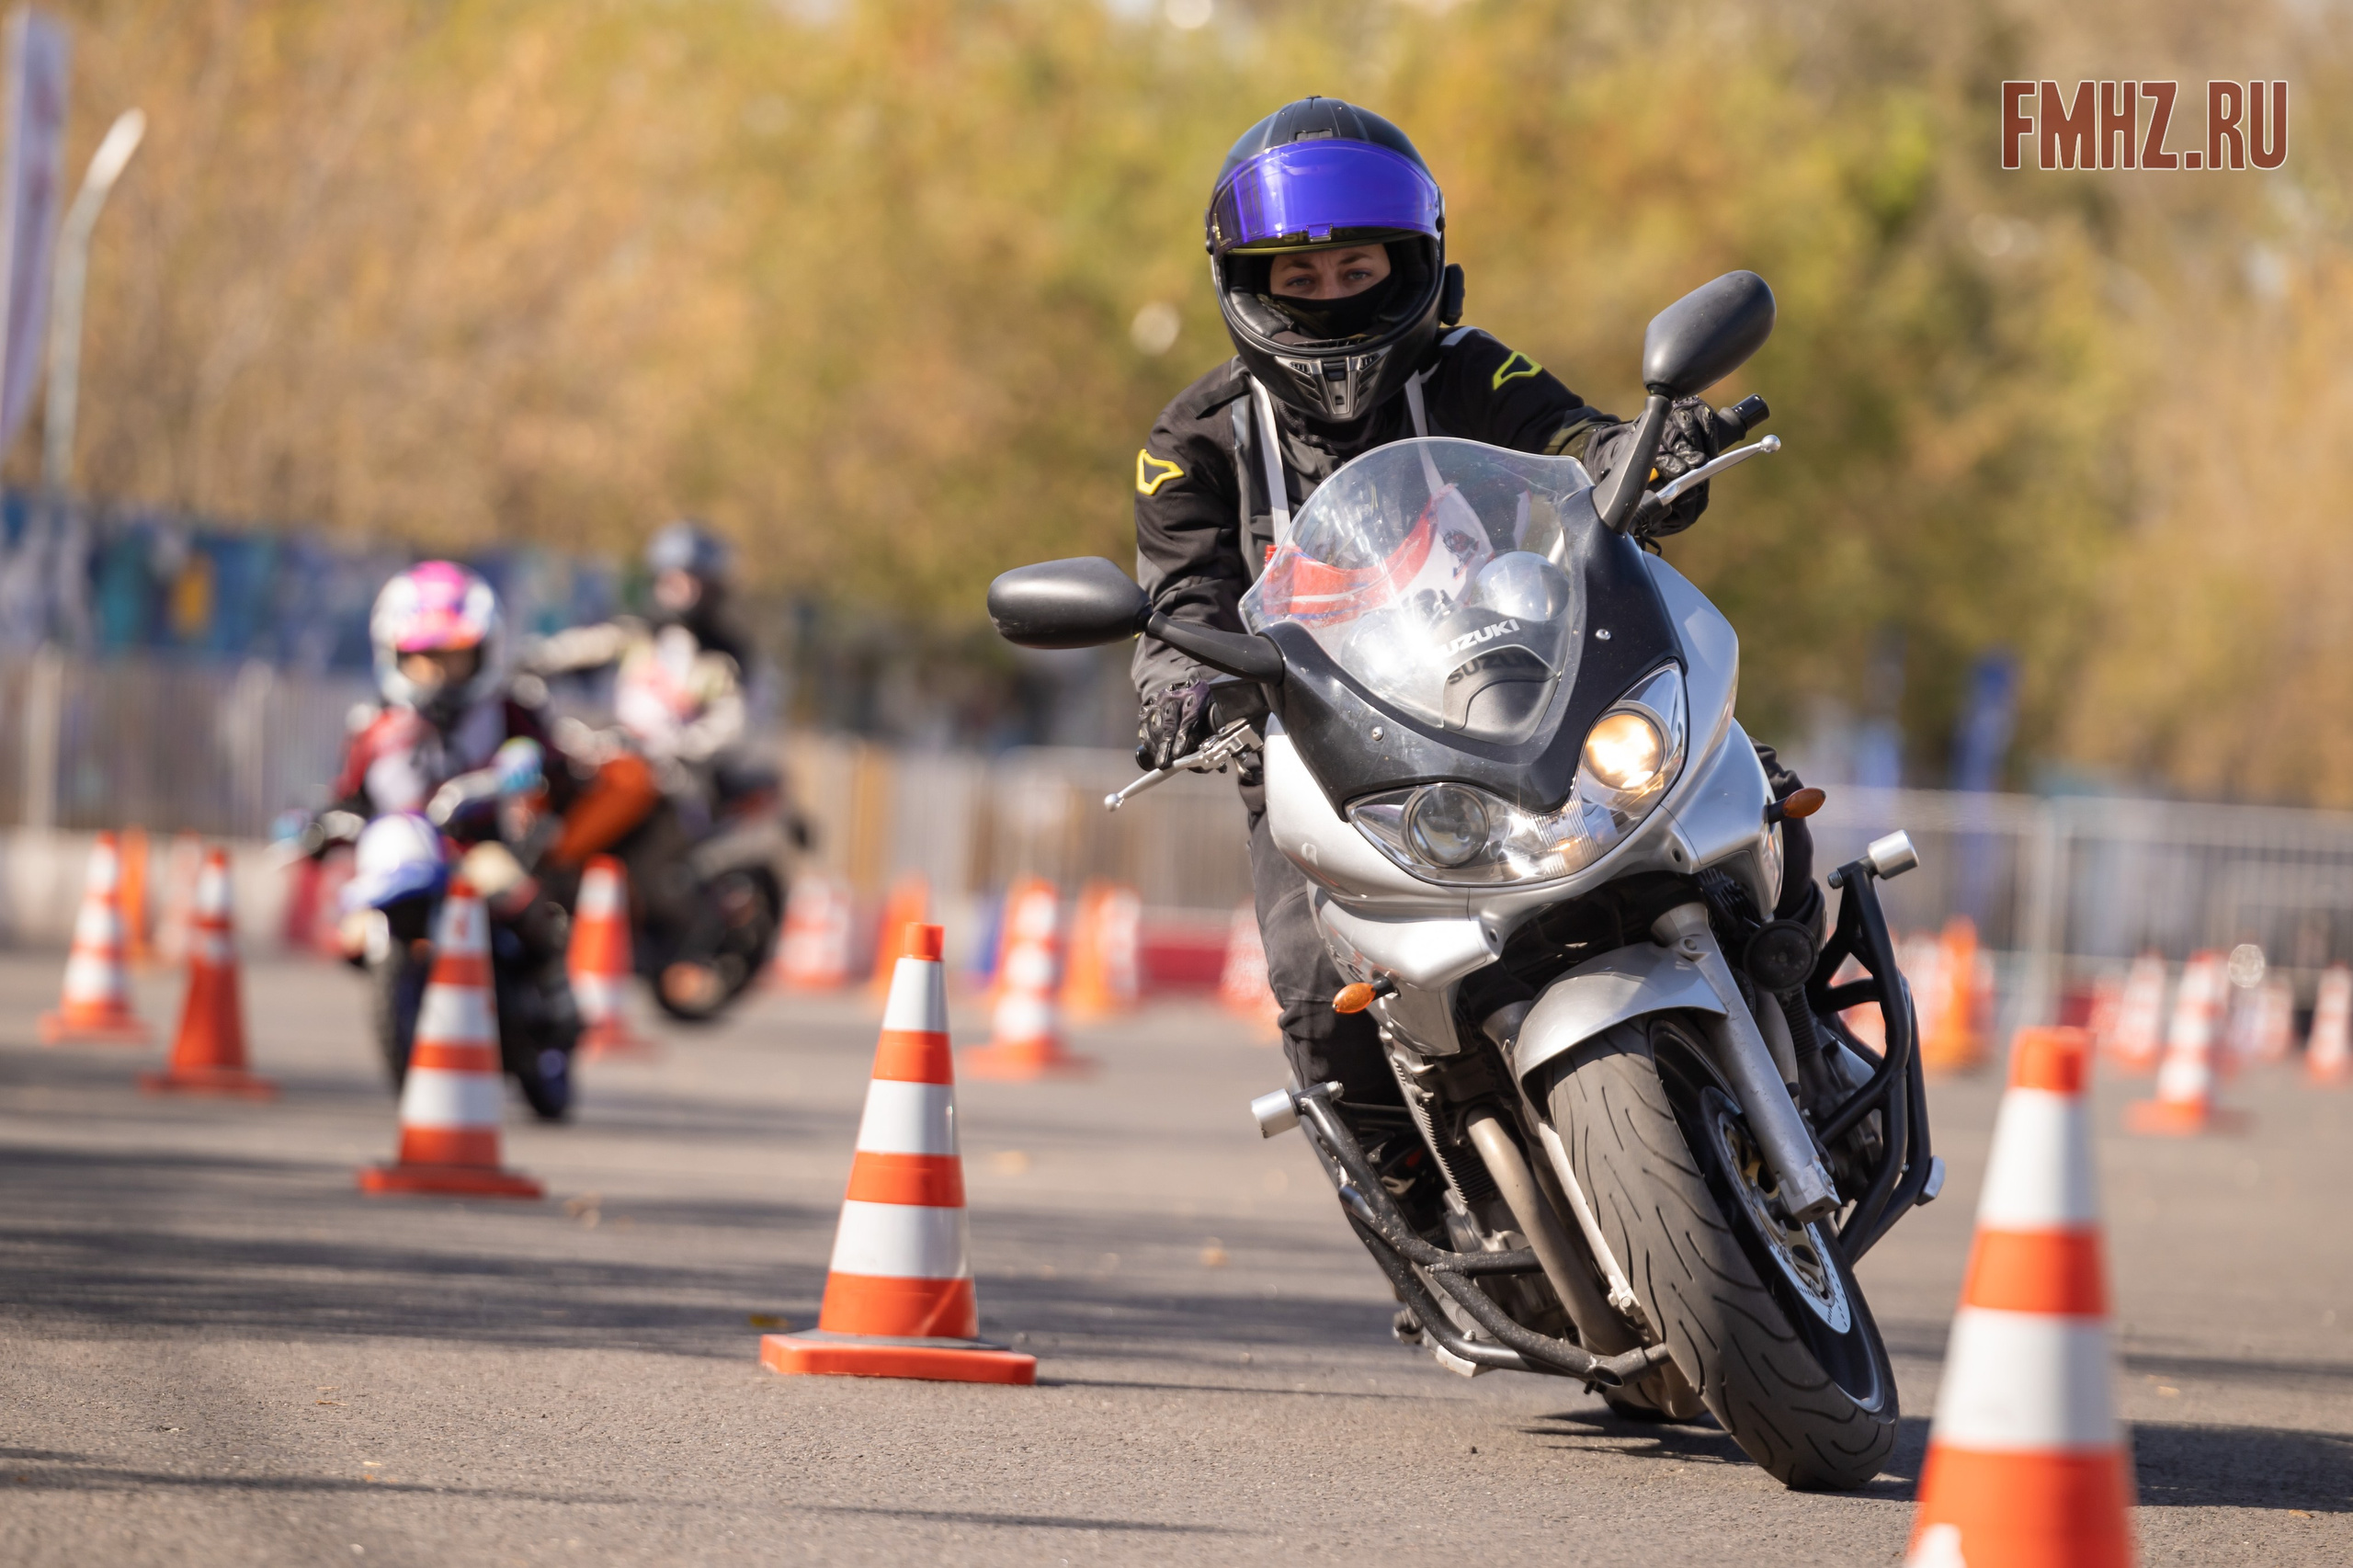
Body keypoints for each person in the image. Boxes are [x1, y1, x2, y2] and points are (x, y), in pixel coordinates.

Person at [1131, 97, 1813, 1156]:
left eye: (1356, 270)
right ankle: (1429, 1220)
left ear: (1412, 264)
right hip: (1335, 768)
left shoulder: (1465, 368)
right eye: (1297, 277)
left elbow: (1571, 438)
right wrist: (1180, 684)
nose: (1328, 296)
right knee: (1319, 1000)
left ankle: (1812, 1034)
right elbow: (1180, 600)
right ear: (1245, 283)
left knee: (1752, 803)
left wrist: (1654, 449)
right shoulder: (1190, 443)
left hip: (1531, 693)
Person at [326, 560, 584, 1117]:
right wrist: (317, 825)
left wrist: (529, 767)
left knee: (520, 898)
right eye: (425, 657)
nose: (440, 671)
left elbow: (554, 762)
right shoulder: (374, 723)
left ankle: (557, 1001)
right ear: (395, 654)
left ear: (482, 652)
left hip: (481, 848)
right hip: (406, 857)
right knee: (347, 931)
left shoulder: (510, 707)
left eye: (454, 656)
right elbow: (350, 795)